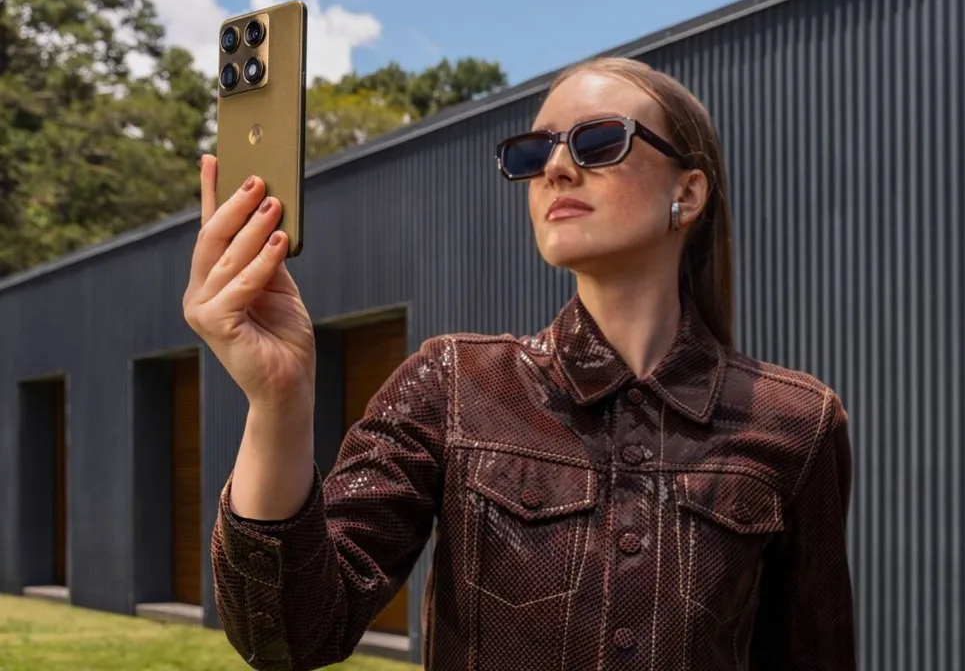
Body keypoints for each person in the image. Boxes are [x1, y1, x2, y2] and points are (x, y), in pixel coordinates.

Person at [182, 56, 856, 670]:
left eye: (598, 141)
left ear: (690, 192)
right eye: (535, 152)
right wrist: (278, 402)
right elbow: (291, 635)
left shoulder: (798, 422)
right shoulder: (451, 385)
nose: (557, 168)